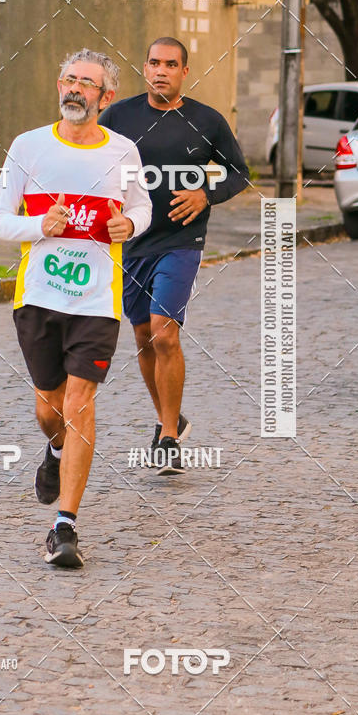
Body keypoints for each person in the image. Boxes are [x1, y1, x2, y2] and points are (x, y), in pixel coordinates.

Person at [0, 48, 151, 567]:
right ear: (59, 86)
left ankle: (65, 527)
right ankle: (55, 452)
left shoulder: (123, 151)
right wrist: (41, 226)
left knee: (81, 403)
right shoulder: (28, 146)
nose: (75, 89)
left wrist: (132, 225)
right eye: (69, 79)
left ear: (105, 97)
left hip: (96, 301)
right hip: (37, 297)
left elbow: (140, 207)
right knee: (49, 409)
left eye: (88, 83)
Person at [99, 37, 250, 475]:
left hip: (181, 242)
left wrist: (206, 194)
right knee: (144, 336)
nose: (160, 70)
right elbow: (94, 160)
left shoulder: (206, 120)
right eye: (153, 63)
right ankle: (171, 418)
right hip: (132, 242)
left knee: (165, 333)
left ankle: (167, 438)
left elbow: (239, 172)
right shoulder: (119, 116)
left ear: (185, 71)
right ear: (144, 68)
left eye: (170, 64)